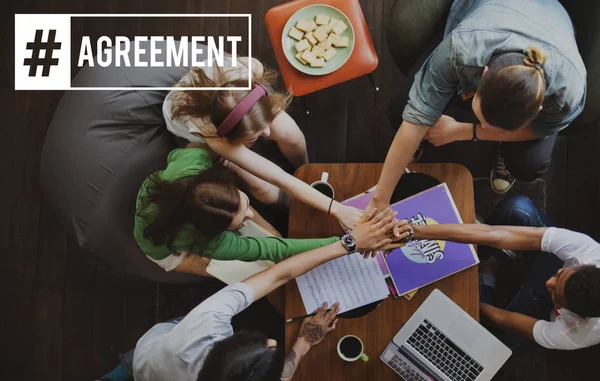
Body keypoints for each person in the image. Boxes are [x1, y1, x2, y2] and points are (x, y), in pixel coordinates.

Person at [98, 207, 411, 381]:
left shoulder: (204, 323)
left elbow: (278, 272)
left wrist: (349, 243)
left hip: (145, 360)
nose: (275, 342)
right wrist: (302, 343)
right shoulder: (208, 323)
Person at [379, 0, 586, 204]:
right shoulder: (462, 48)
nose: (486, 127)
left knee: (529, 165)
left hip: (551, 26)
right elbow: (416, 116)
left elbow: (540, 129)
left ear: (537, 109)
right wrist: (379, 201)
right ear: (483, 74)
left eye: (498, 129)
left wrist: (465, 131)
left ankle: (505, 148)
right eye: (482, 118)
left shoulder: (566, 94)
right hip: (482, 19)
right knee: (400, 110)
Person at [163, 54, 363, 230]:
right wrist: (336, 209)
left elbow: (265, 114)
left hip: (240, 97)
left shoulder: (249, 69)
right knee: (260, 185)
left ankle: (305, 167)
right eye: (255, 135)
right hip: (202, 135)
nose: (268, 132)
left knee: (290, 133)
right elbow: (278, 177)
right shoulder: (212, 135)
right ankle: (290, 205)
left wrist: (303, 172)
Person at [402, 195, 600, 350]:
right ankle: (486, 255)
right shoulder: (588, 253)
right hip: (556, 262)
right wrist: (415, 232)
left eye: (556, 294)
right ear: (584, 266)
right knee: (517, 207)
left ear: (578, 316)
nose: (548, 282)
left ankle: (487, 278)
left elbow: (505, 319)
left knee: (486, 337)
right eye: (558, 275)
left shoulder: (574, 333)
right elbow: (496, 233)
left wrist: (464, 300)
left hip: (543, 311)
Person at [135, 144, 345, 275]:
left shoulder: (192, 163)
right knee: (257, 268)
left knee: (273, 234)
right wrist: (343, 242)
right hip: (162, 247)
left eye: (243, 204)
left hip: (189, 212)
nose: (251, 214)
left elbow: (192, 148)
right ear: (217, 233)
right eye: (241, 219)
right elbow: (277, 250)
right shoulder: (210, 244)